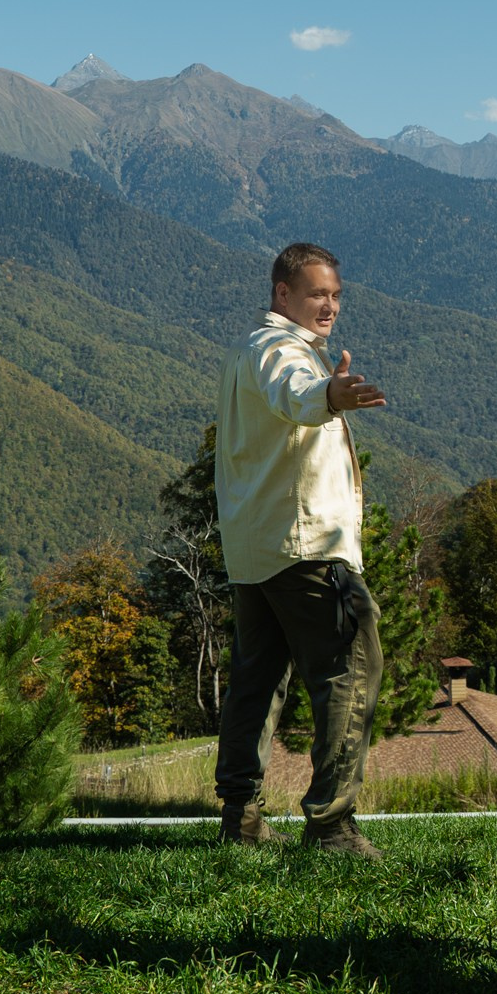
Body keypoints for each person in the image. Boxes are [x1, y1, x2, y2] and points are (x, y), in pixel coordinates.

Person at [211, 241, 390, 856]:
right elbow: (297, 393)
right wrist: (332, 397)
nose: (329, 306)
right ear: (282, 293)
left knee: (256, 681)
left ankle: (241, 818)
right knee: (352, 667)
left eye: (336, 295)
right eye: (317, 293)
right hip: (306, 545)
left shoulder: (248, 351)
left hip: (255, 548)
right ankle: (332, 824)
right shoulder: (279, 350)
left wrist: (325, 393)